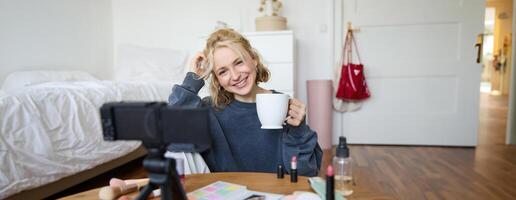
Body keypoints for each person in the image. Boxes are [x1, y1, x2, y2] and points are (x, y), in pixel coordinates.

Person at [168, 28, 322, 176]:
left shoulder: (282, 105)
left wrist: (299, 130)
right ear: (217, 79)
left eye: (239, 62)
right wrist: (191, 81)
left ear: (253, 59)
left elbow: (306, 172)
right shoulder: (209, 110)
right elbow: (173, 142)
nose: (235, 76)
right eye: (223, 71)